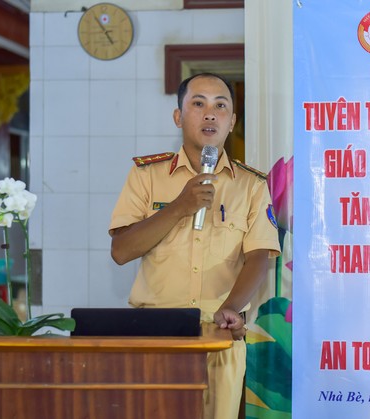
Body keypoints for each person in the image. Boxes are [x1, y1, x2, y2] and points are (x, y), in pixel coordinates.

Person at [108, 72, 281, 419]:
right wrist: (179, 207)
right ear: (178, 116)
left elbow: (259, 256)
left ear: (232, 122)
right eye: (198, 103)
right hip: (156, 335)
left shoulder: (252, 185)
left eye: (221, 106)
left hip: (220, 334)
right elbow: (121, 251)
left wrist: (231, 308)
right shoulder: (146, 175)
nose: (210, 114)